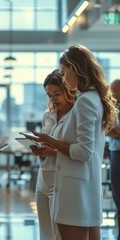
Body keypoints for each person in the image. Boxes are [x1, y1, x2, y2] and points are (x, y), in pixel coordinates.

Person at [25, 44, 118, 240]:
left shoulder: (85, 101)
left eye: (65, 73)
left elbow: (83, 152)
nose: (65, 79)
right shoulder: (95, 98)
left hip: (74, 190)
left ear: (75, 69)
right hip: (84, 187)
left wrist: (48, 140)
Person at [29, 70, 75, 240]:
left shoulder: (75, 116)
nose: (53, 99)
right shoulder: (47, 116)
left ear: (68, 90)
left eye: (57, 94)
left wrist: (51, 152)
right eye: (49, 95)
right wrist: (40, 150)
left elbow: (74, 151)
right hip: (43, 176)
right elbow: (46, 143)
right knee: (45, 233)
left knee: (58, 234)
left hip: (60, 178)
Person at [107, 79, 120, 240]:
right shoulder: (111, 109)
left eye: (115, 91)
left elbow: (111, 128)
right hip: (115, 153)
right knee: (116, 190)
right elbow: (106, 130)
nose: (113, 94)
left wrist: (114, 129)